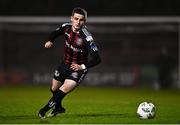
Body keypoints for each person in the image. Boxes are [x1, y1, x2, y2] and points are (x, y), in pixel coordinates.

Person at [38, 7, 101, 118]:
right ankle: (59, 108)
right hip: (64, 64)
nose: (78, 22)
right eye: (76, 18)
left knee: (63, 89)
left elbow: (97, 58)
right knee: (54, 89)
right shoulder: (66, 27)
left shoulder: (87, 37)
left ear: (84, 21)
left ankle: (43, 110)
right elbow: (55, 33)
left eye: (81, 20)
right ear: (71, 18)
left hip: (77, 69)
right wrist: (50, 40)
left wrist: (82, 66)